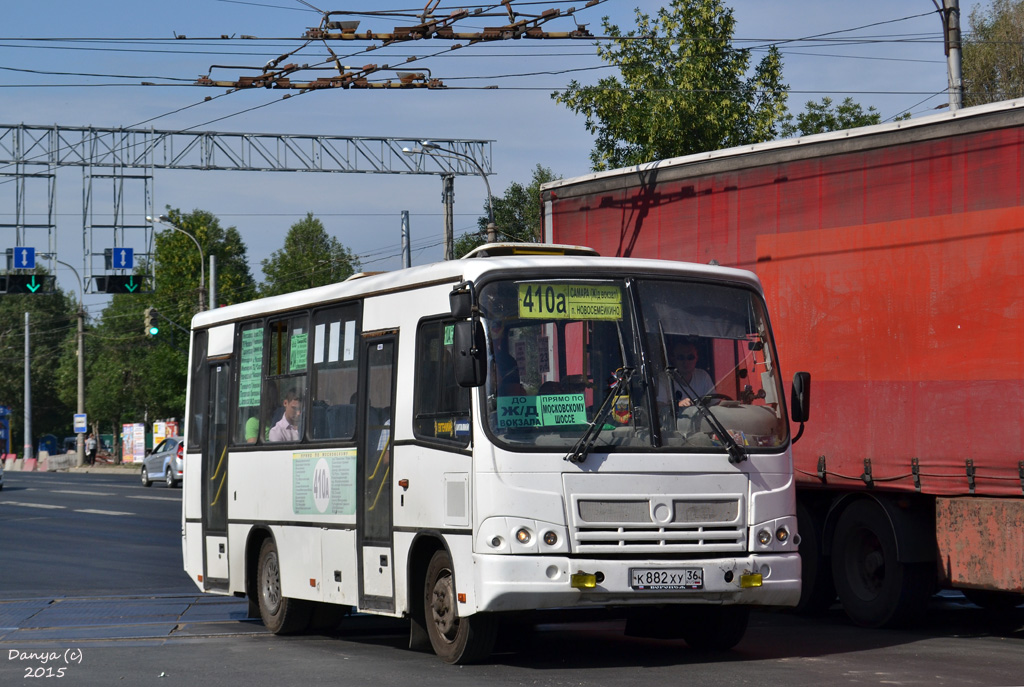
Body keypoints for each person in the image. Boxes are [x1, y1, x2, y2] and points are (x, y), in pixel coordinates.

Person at [665, 341, 714, 408]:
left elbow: (715, 404)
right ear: (672, 359)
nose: (686, 362)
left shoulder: (703, 376)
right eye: (681, 357)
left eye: (690, 357)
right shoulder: (664, 379)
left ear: (696, 358)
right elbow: (659, 408)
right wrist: (677, 405)